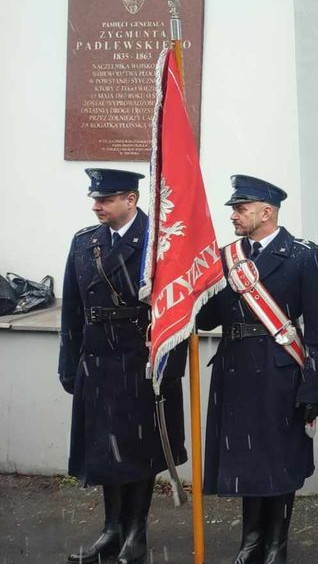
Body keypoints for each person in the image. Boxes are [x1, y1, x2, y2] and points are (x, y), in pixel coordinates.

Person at [196, 175, 318, 564]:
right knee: (245, 462)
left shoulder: (305, 255)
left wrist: (314, 389)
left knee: (279, 463)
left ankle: (277, 544)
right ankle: (251, 540)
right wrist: (190, 279)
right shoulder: (226, 258)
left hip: (280, 372)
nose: (234, 216)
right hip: (235, 372)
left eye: (240, 209)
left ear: (266, 212)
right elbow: (206, 318)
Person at [58, 168, 187, 564]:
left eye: (107, 199)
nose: (97, 205)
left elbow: (178, 308)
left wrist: (172, 367)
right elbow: (73, 309)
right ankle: (111, 530)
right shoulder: (85, 242)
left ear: (131, 200)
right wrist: (69, 362)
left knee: (138, 451)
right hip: (97, 360)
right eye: (95, 199)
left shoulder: (159, 241)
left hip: (140, 361)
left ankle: (136, 532)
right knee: (103, 451)